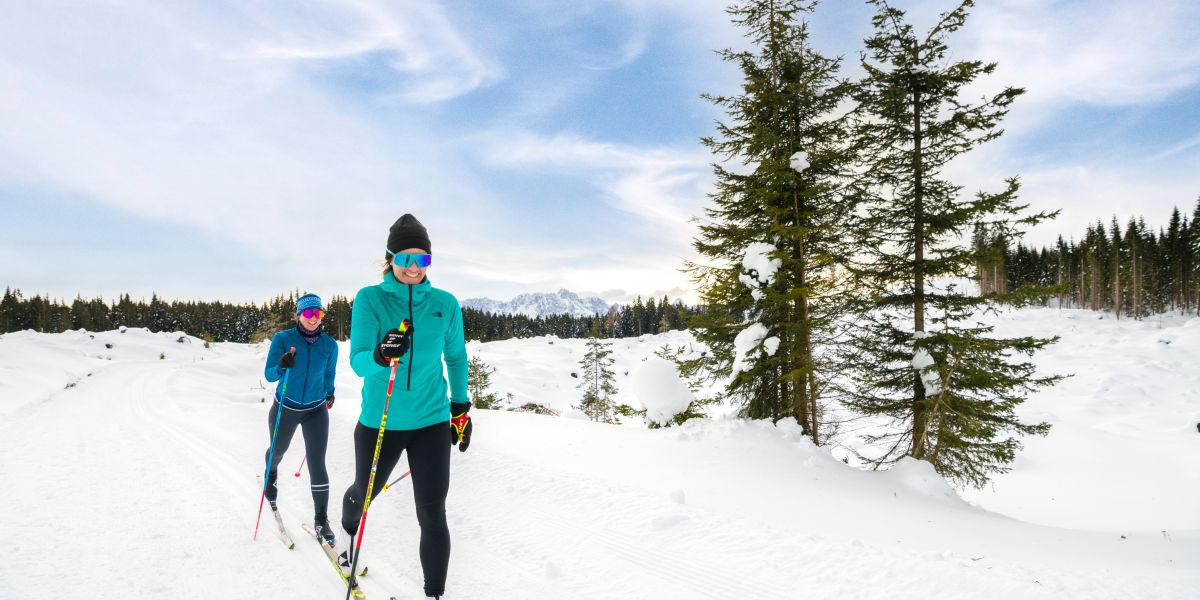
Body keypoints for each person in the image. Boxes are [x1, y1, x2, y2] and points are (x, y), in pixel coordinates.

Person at [336, 214, 471, 600]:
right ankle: (347, 534)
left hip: (431, 421)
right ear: (390, 258)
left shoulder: (445, 304)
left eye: (422, 259)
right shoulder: (370, 299)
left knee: (432, 511)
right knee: (364, 494)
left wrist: (460, 408)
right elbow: (358, 360)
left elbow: (456, 358)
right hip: (381, 422)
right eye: (405, 258)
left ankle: (434, 594)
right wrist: (381, 354)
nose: (414, 268)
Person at [263, 293, 339, 544]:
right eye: (308, 313)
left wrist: (330, 393)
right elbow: (270, 375)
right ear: (298, 315)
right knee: (278, 450)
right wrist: (282, 365)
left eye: (318, 313)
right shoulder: (283, 339)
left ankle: (321, 520)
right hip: (286, 406)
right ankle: (271, 474)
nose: (313, 318)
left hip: (316, 410)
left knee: (317, 463)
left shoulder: (329, 345)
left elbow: (329, 373)